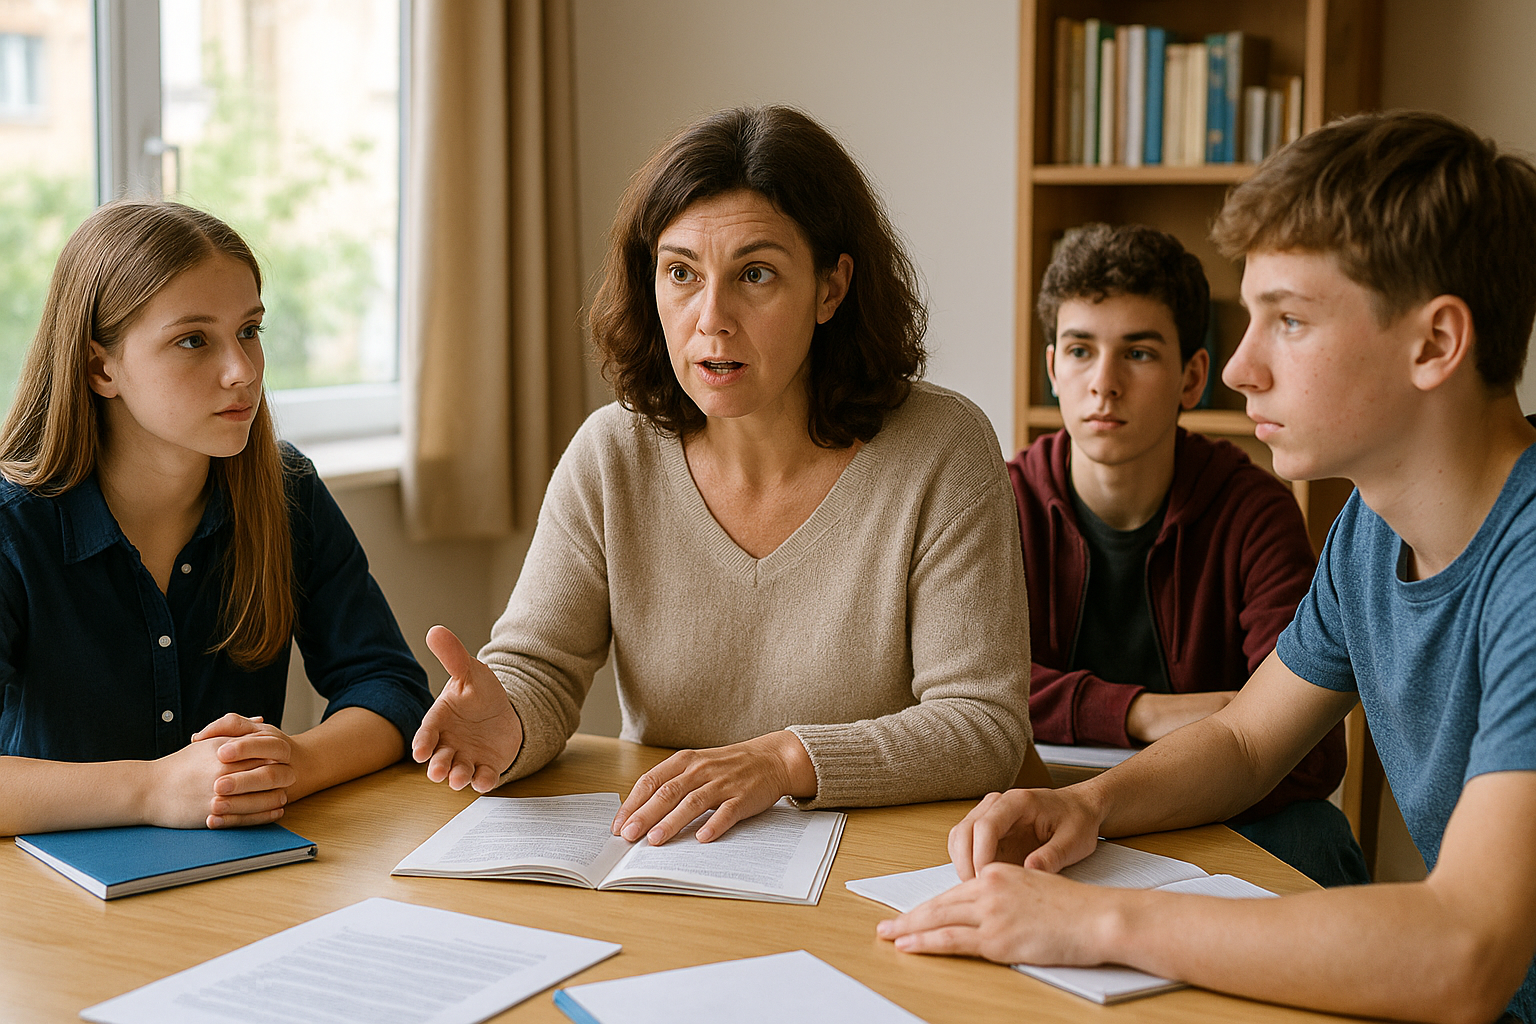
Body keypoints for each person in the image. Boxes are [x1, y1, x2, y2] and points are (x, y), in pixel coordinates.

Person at [879, 110, 1536, 1024]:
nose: (1236, 369)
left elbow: (1464, 953)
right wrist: (1089, 808)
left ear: (1434, 343)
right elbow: (1243, 742)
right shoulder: (1369, 532)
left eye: (1291, 321)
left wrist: (1097, 919)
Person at [411, 105, 1034, 846]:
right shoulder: (612, 452)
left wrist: (781, 759)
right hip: (678, 858)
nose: (712, 318)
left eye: (756, 274)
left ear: (831, 290)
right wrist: (504, 722)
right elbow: (539, 670)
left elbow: (983, 724)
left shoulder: (941, 449)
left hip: (882, 869)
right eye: (681, 273)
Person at [0, 200, 433, 836]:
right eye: (193, 340)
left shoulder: (287, 492)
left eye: (250, 331)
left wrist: (289, 766)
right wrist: (151, 791)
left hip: (244, 878)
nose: (241, 371)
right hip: (51, 907)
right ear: (101, 367)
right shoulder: (14, 527)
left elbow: (390, 688)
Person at [1014, 222, 1364, 887]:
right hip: (1040, 802)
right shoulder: (998, 502)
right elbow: (957, 692)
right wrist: (1141, 711)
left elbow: (1311, 751)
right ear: (1053, 367)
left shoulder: (1253, 510)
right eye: (1081, 351)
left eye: (1139, 354)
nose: (1104, 384)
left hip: (1214, 812)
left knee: (1315, 837)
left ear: (1193, 376)